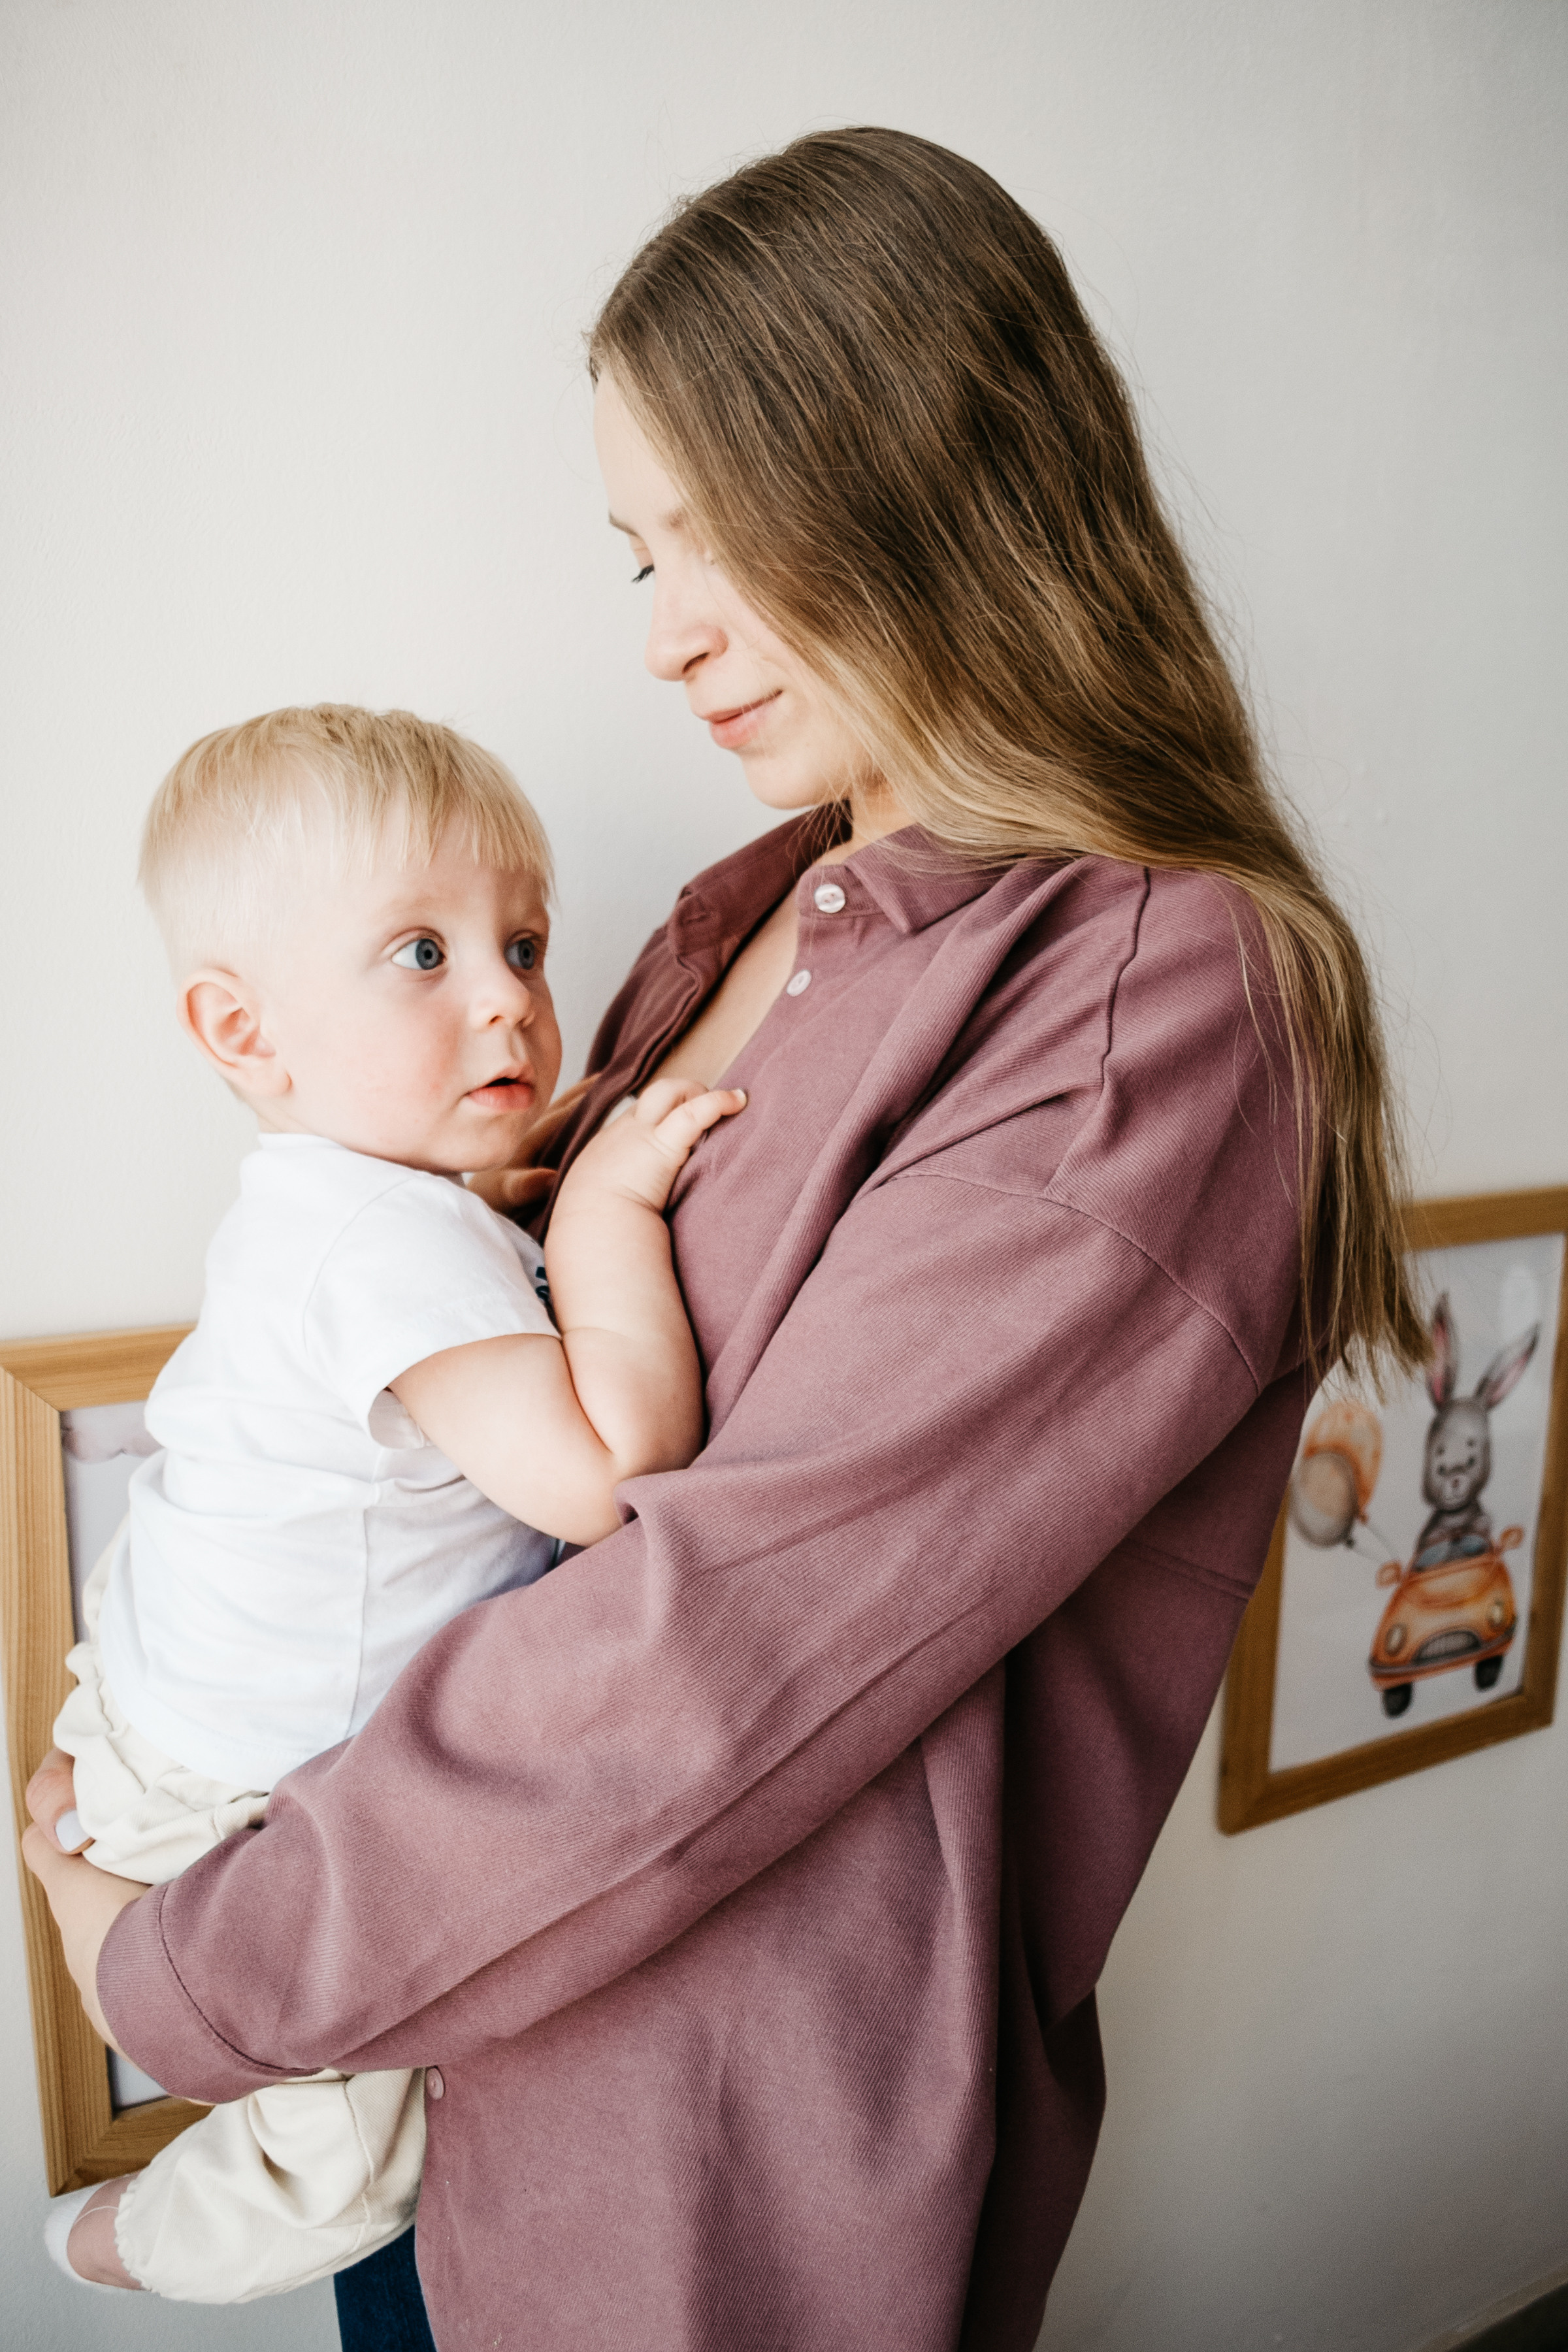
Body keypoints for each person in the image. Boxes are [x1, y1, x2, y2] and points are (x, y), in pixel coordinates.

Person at [27, 129, 1424, 2351]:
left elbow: (721, 1646)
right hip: (444, 2051)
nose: (668, 633)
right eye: (633, 555)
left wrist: (189, 1968)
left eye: (719, 537)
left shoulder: (1157, 998)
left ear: (929, 480)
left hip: (685, 2198)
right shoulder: (750, 908)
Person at [36, 705, 742, 2301]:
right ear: (244, 1032)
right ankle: (123, 2242)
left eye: (525, 942)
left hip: (164, 1694)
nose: (509, 996)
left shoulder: (339, 1202)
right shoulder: (386, 1244)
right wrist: (614, 1206)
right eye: (421, 955)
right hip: (236, 1801)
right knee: (361, 2154)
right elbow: (613, 1476)